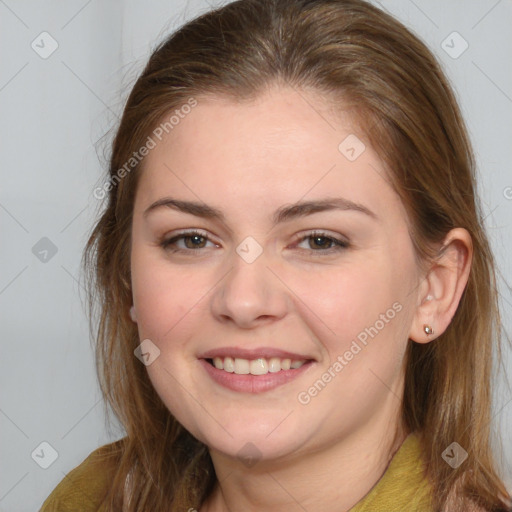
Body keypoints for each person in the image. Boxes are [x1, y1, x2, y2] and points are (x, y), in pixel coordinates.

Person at [40, 0, 512, 511]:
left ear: (434, 288)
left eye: (319, 241)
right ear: (126, 274)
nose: (244, 301)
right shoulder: (89, 499)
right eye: (191, 240)